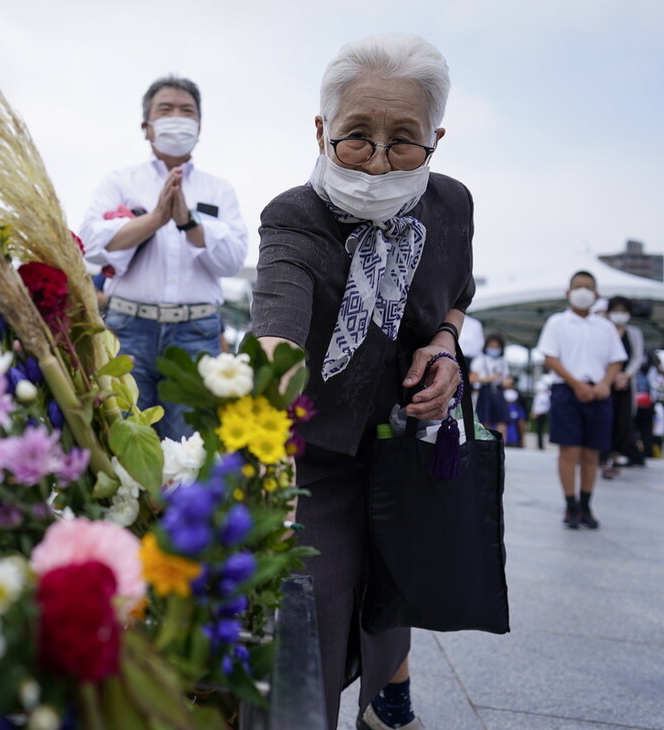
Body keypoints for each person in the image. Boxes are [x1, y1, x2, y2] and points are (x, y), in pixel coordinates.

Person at [251, 34, 474, 730]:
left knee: (391, 588)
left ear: (436, 138)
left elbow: (456, 296)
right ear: (320, 130)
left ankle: (388, 698)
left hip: (402, 443)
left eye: (404, 140)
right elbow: (278, 323)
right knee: (305, 608)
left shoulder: (450, 206)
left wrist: (445, 347)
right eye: (355, 137)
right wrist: (265, 391)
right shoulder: (293, 215)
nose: (378, 160)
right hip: (308, 448)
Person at [80, 75, 248, 440]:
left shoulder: (219, 189)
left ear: (199, 126)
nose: (177, 117)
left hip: (197, 333)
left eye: (187, 111)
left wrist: (188, 222)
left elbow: (233, 260)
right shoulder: (119, 182)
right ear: (146, 126)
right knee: (123, 437)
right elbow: (91, 244)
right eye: (165, 109)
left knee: (190, 446)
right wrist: (155, 218)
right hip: (128, 329)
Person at [537, 271, 627, 529]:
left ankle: (586, 504)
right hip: (567, 391)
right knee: (569, 450)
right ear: (568, 293)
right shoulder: (557, 322)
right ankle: (570, 505)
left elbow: (616, 360)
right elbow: (550, 357)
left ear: (597, 295)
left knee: (591, 452)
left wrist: (604, 384)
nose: (583, 291)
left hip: (598, 393)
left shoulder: (606, 326)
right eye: (578, 286)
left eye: (588, 287)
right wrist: (576, 384)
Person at [600, 296, 644, 477]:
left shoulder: (634, 333)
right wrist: (611, 376)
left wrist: (625, 375)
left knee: (623, 422)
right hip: (606, 383)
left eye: (624, 311)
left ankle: (616, 455)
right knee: (605, 420)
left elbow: (637, 357)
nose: (620, 315)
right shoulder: (604, 330)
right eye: (616, 311)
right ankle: (604, 458)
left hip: (625, 384)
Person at [469, 334, 509, 438]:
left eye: (497, 347)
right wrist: (489, 379)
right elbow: (472, 378)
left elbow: (507, 377)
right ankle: (486, 443)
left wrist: (507, 382)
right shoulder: (480, 360)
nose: (494, 349)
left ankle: (500, 443)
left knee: (502, 420)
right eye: (492, 346)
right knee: (485, 420)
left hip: (499, 391)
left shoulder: (503, 361)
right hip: (485, 391)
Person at [502, 375, 527, 447]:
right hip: (499, 441)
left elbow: (521, 424)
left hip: (512, 442)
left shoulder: (517, 407)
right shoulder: (497, 405)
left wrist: (521, 440)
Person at [530, 376, 551, 450]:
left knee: (540, 429)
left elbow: (544, 406)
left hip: (541, 414)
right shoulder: (541, 395)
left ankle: (541, 445)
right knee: (539, 430)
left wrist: (537, 413)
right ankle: (540, 445)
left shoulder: (544, 395)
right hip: (539, 413)